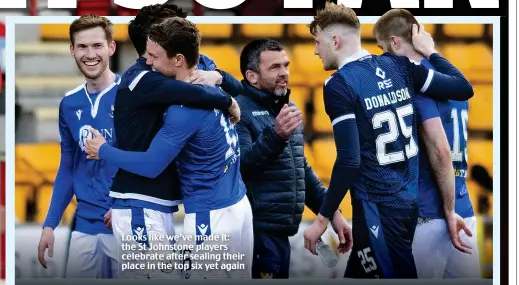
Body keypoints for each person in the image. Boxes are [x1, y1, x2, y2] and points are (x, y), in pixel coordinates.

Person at [302, 2, 474, 278]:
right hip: (406, 207)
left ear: (335, 40)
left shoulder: (339, 83)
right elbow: (462, 87)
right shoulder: (399, 65)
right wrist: (431, 51)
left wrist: (323, 218)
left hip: (377, 209)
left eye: (317, 42)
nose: (314, 50)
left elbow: (349, 159)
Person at [85, 17, 253, 279]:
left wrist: (103, 150)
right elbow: (236, 86)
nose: (148, 61)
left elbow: (152, 165)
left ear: (178, 60)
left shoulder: (182, 110)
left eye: (154, 55)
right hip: (238, 202)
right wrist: (225, 91)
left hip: (210, 214)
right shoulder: (205, 65)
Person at [374, 9, 479, 278]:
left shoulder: (411, 82)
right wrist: (432, 52)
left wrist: (447, 210)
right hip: (464, 211)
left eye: (383, 47)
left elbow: (439, 149)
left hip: (431, 214)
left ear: (395, 42)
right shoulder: (450, 79)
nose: (382, 56)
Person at [235, 39, 352, 279]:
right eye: (274, 67)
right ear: (252, 76)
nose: (284, 73)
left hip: (279, 234)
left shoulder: (287, 108)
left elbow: (301, 170)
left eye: (286, 65)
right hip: (255, 234)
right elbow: (239, 168)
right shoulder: (237, 111)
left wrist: (332, 212)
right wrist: (276, 136)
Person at [37, 14, 120, 278]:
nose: (90, 54)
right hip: (84, 225)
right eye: (82, 46)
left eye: (97, 45)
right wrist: (49, 224)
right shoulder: (69, 104)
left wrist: (125, 205)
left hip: (126, 223)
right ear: (72, 49)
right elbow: (68, 167)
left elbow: (149, 159)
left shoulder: (131, 96)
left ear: (111, 47)